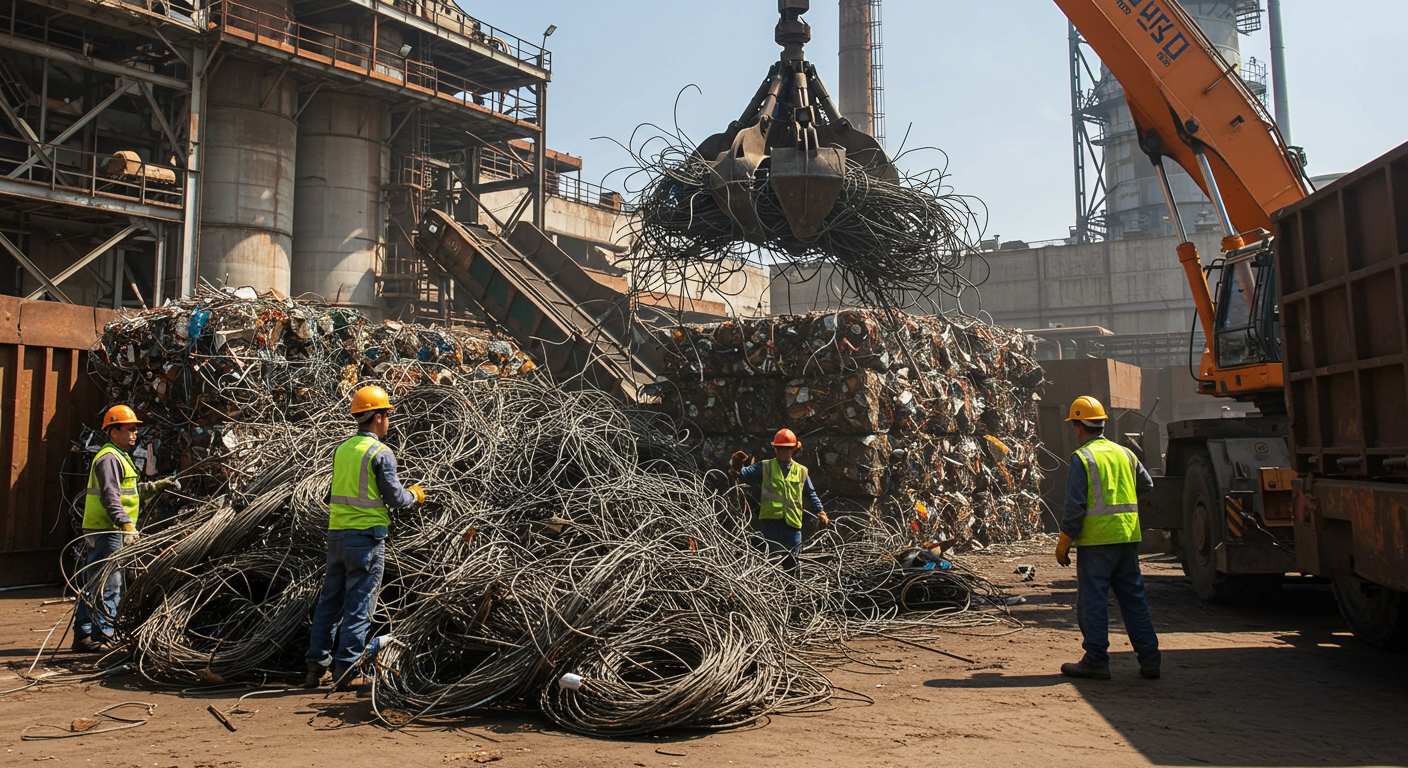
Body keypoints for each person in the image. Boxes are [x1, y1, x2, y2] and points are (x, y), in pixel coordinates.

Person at [305, 385, 426, 691]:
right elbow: (396, 498)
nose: (389, 421)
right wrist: (416, 495)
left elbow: (338, 492)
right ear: (379, 417)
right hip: (367, 539)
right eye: (387, 415)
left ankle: (315, 668)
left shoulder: (342, 449)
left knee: (329, 603)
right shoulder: (381, 453)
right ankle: (346, 671)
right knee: (359, 604)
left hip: (337, 537)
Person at [1055, 395, 1161, 680]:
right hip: (1127, 538)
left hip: (1096, 542)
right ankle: (1150, 660)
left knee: (1094, 602)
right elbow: (1147, 485)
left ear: (1078, 425)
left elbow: (1075, 506)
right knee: (1134, 600)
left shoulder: (1083, 458)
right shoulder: (1125, 453)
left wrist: (1064, 541)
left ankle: (1097, 661)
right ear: (1101, 423)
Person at [73, 405, 179, 653]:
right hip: (108, 529)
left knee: (95, 582)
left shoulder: (120, 456)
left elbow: (129, 492)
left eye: (135, 430)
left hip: (109, 528)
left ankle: (84, 635)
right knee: (109, 584)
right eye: (129, 429)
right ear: (113, 431)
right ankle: (104, 637)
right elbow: (111, 497)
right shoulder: (109, 458)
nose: (134, 434)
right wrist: (127, 525)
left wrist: (156, 486)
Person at [730, 428, 829, 577]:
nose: (783, 452)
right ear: (775, 449)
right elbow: (744, 474)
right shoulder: (765, 466)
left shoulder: (802, 471)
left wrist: (820, 511)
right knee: (770, 566)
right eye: (780, 449)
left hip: (793, 527)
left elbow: (811, 493)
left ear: (794, 449)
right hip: (771, 525)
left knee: (792, 567)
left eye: (787, 449)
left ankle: (792, 595)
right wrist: (737, 464)